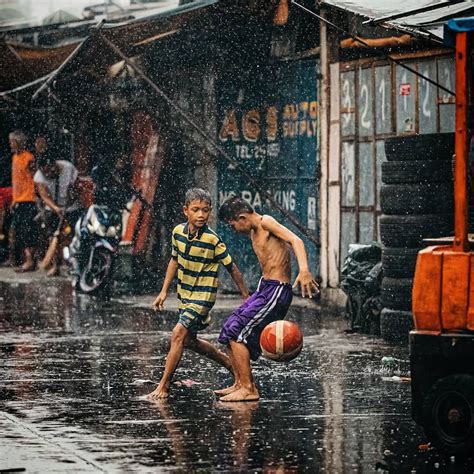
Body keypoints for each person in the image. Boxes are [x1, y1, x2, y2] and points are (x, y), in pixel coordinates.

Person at [147, 188, 249, 400]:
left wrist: (246, 297)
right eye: (196, 210)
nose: (201, 215)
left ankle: (163, 386)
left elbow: (232, 267)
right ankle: (228, 363)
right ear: (186, 211)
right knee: (189, 341)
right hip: (185, 293)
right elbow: (174, 260)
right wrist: (164, 291)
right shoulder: (177, 233)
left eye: (205, 210)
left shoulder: (213, 240)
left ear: (210, 212)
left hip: (204, 296)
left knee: (177, 334)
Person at [215, 196, 319, 402]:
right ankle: (239, 383)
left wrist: (304, 269)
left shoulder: (265, 222)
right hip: (265, 288)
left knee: (238, 332)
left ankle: (249, 388)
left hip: (277, 291)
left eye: (233, 224)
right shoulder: (254, 232)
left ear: (242, 217)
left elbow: (295, 240)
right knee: (229, 329)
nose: (233, 229)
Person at [33, 143, 82, 276]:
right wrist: (56, 208)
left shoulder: (68, 168)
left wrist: (70, 200)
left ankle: (74, 265)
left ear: (54, 165)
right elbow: (44, 196)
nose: (47, 174)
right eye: (45, 172)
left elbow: (76, 189)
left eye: (49, 171)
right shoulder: (39, 175)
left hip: (72, 207)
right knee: (53, 237)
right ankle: (55, 265)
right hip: (53, 208)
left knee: (73, 236)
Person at [9, 131, 37, 272]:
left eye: (12, 141)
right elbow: (16, 182)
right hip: (18, 200)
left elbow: (34, 178)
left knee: (27, 231)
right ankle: (19, 259)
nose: (10, 144)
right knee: (17, 231)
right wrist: (14, 199)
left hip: (29, 199)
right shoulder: (14, 158)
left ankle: (30, 261)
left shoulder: (29, 158)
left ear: (19, 142)